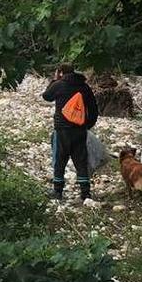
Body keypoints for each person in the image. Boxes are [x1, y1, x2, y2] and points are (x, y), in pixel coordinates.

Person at [42, 63, 99, 201]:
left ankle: (58, 192)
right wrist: (87, 125)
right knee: (80, 161)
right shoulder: (84, 87)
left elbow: (46, 96)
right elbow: (94, 109)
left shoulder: (59, 85)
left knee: (59, 160)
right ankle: (85, 193)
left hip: (62, 129)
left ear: (60, 72)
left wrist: (55, 80)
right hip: (80, 130)